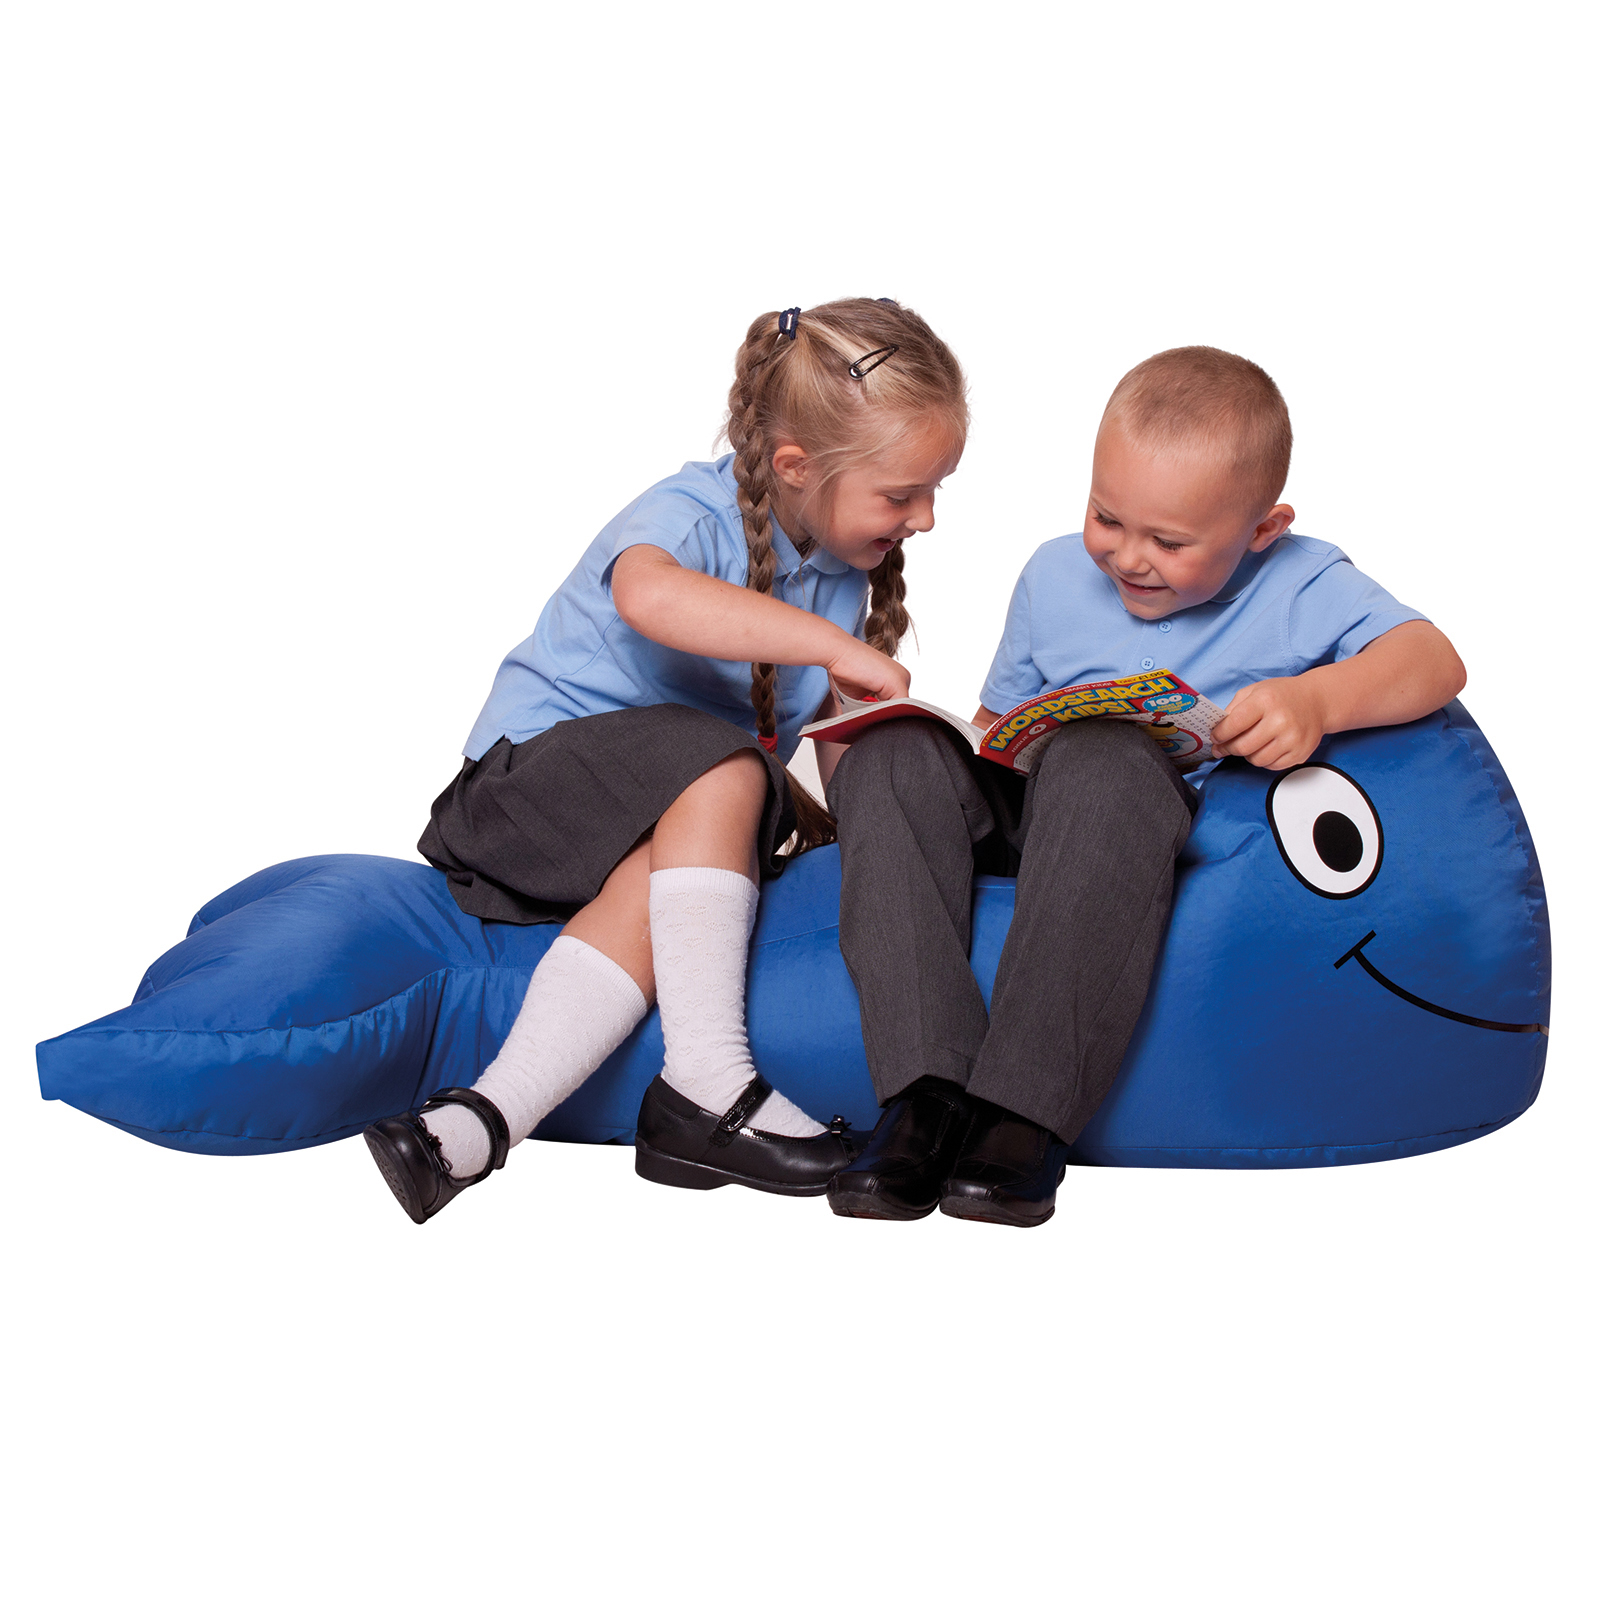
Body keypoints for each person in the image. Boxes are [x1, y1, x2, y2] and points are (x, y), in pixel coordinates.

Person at [821, 345, 1468, 1228]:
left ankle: (1020, 1115)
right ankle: (924, 1097)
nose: (1128, 558)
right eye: (1106, 517)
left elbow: (1435, 659)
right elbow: (995, 723)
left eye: (1169, 542)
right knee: (892, 752)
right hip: (1031, 811)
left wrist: (1317, 699)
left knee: (1104, 758)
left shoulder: (1302, 581)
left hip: (1138, 830)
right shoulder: (1054, 574)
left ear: (1263, 530)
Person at [363, 298, 967, 1223]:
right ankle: (708, 1080)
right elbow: (649, 597)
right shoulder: (690, 513)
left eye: (936, 491)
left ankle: (477, 1123)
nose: (925, 518)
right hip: (517, 800)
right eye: (902, 494)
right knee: (726, 765)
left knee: (702, 831)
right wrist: (830, 647)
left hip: (635, 840)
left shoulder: (839, 578)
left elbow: (819, 747)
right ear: (796, 467)